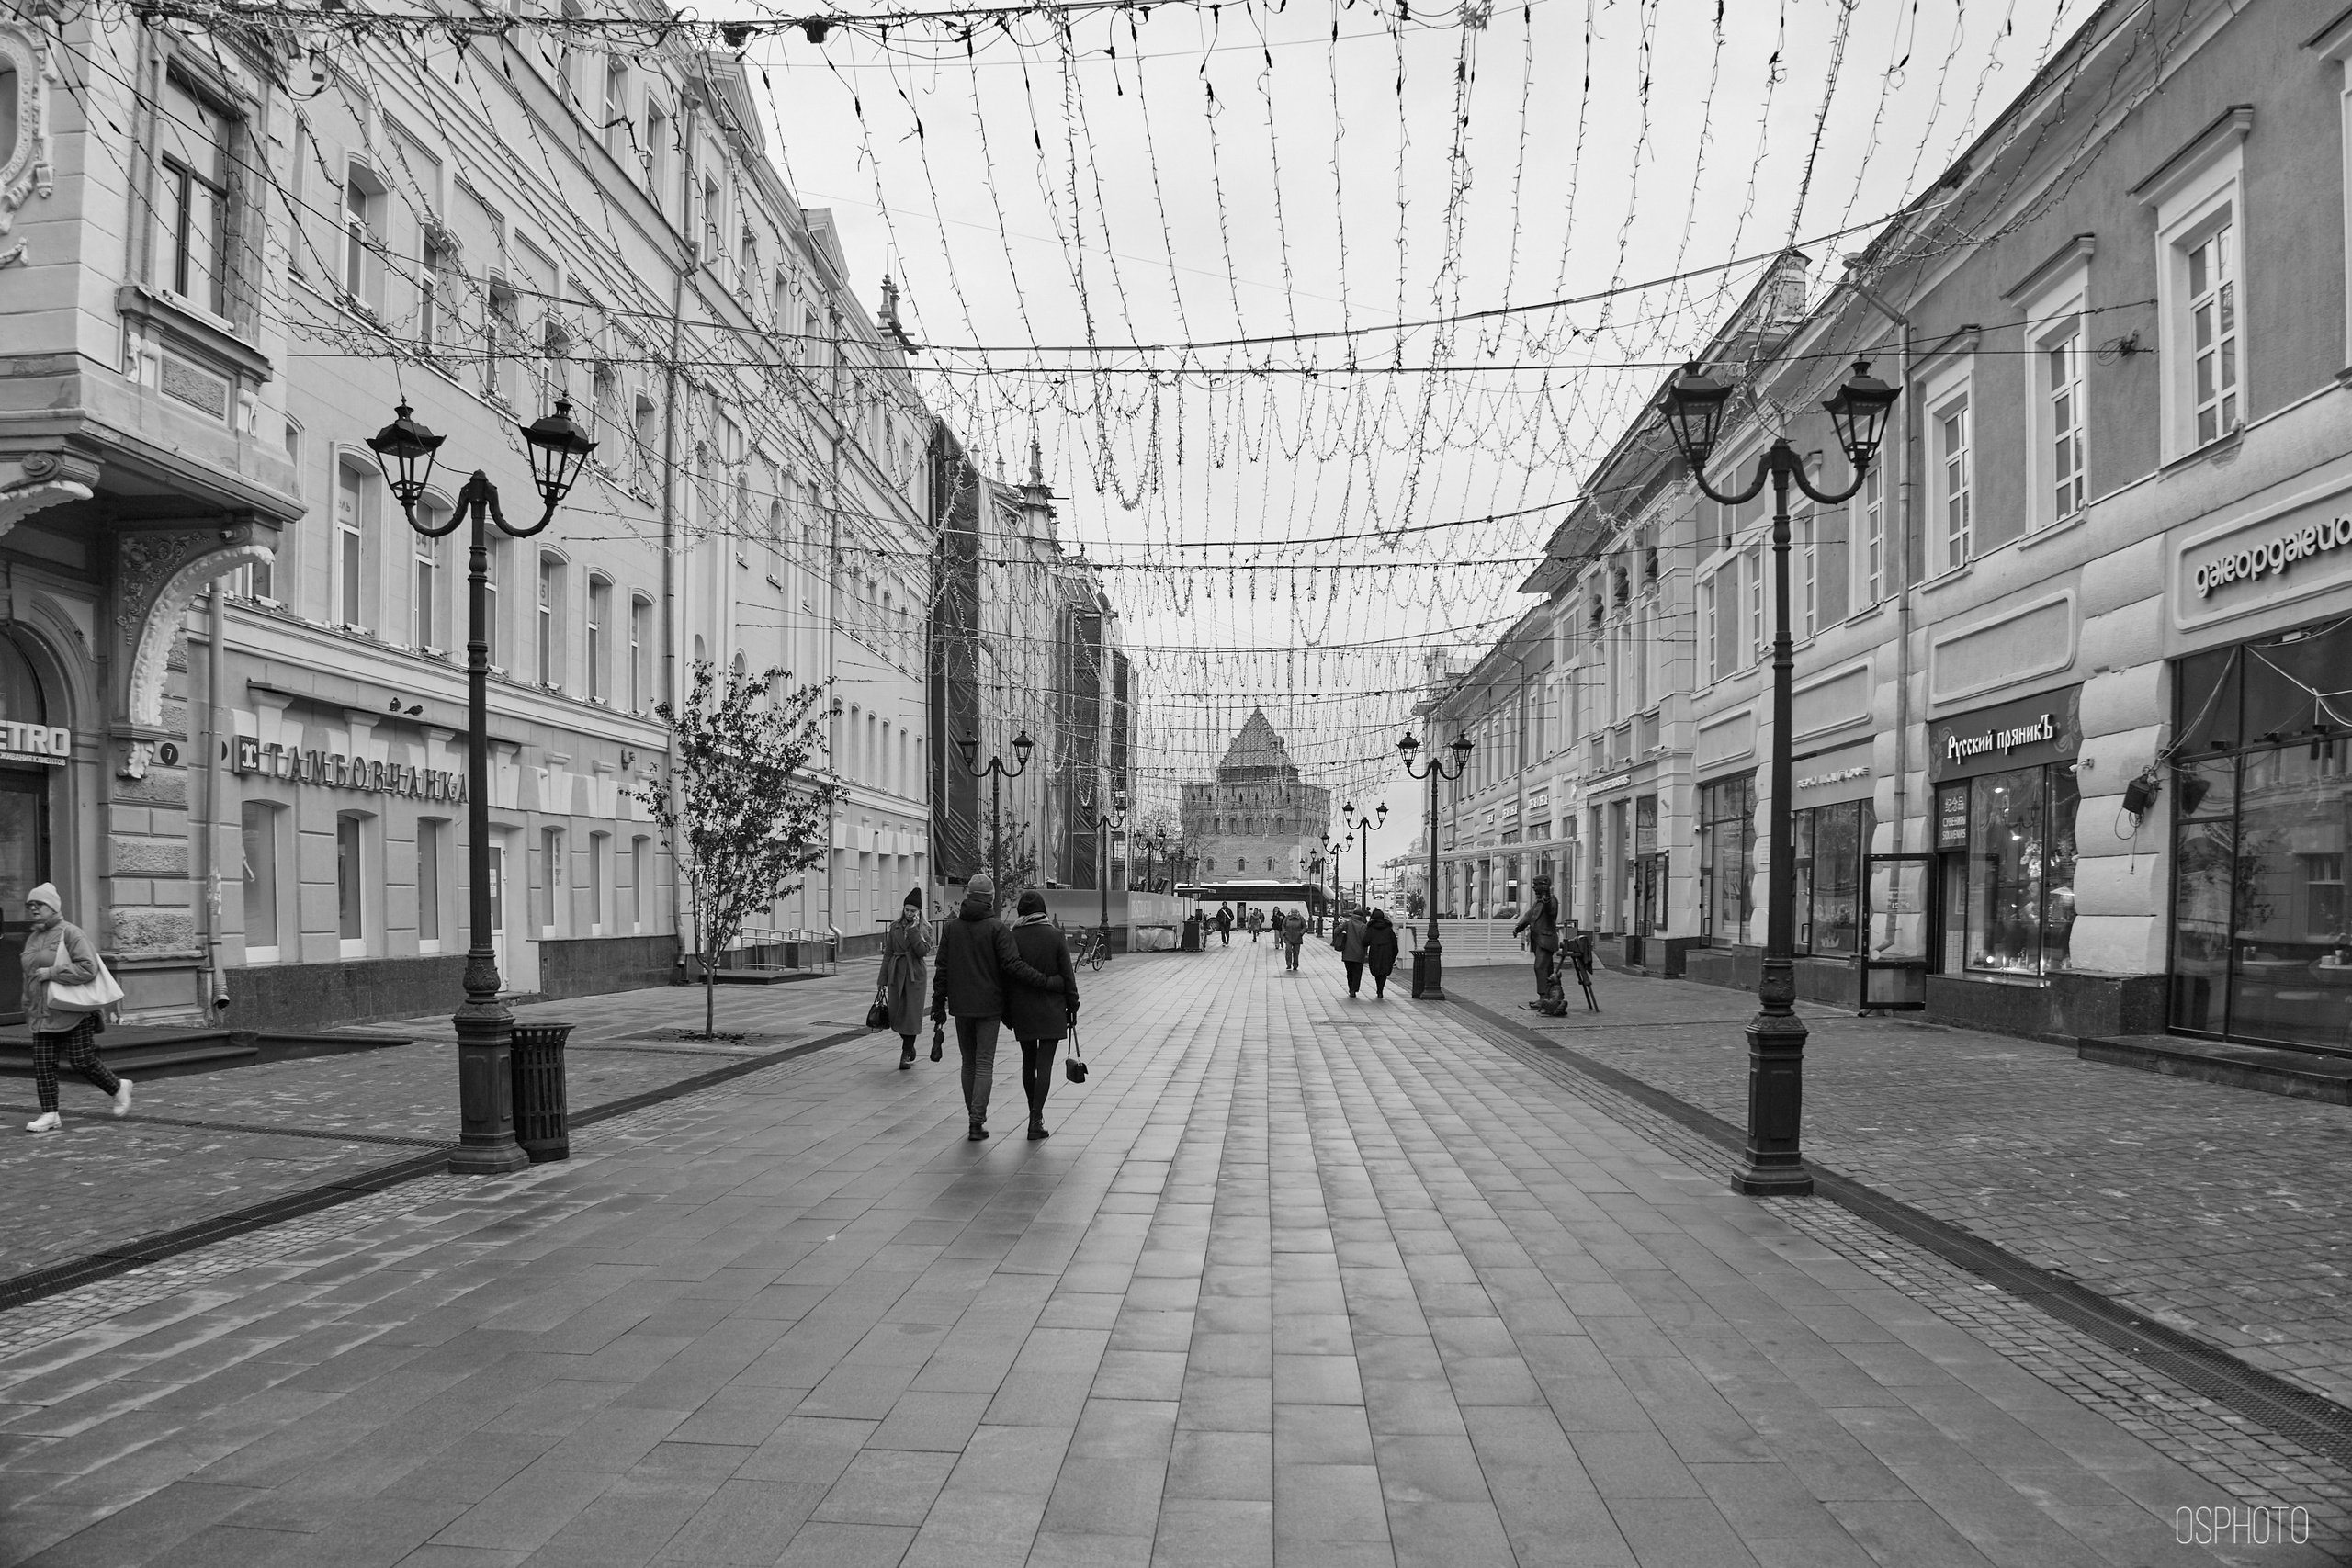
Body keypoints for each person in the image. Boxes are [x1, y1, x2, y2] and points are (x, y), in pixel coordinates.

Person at [931, 874, 1065, 1141]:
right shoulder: (996, 929)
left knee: (968, 1063)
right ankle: (976, 1121)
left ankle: (974, 1118)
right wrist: (1045, 982)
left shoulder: (951, 929)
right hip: (989, 1007)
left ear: (967, 896)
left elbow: (942, 969)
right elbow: (1012, 967)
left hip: (960, 1007)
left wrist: (938, 1004)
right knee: (983, 1064)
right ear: (991, 898)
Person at [22, 884, 131, 1133]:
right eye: (30, 905)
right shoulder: (33, 937)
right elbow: (29, 976)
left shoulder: (71, 933)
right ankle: (50, 1114)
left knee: (82, 1061)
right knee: (43, 1063)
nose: (33, 909)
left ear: (53, 907)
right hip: (43, 1011)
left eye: (39, 904)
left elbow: (87, 968)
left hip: (74, 1011)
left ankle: (118, 1087)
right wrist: (28, 1003)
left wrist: (52, 972)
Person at [1004, 890, 1080, 1140]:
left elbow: (1007, 976)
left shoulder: (1013, 936)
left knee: (1028, 1061)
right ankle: (1036, 1118)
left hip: (1023, 1009)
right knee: (1044, 1065)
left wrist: (1007, 1011)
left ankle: (1032, 1112)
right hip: (1051, 1009)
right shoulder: (1056, 936)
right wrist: (1073, 1005)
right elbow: (1068, 975)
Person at [878, 890, 933, 1069]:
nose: (909, 913)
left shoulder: (925, 928)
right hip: (896, 972)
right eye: (907, 910)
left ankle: (906, 1052)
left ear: (919, 912)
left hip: (915, 975)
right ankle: (910, 1046)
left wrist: (914, 931)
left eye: (913, 911)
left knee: (911, 1015)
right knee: (896, 1015)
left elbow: (923, 951)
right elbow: (888, 953)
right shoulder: (895, 927)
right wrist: (882, 980)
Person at [1512, 875, 1562, 1009]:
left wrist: (1546, 895)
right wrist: (1519, 927)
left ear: (1544, 886)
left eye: (1536, 884)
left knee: (1539, 967)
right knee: (1547, 969)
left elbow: (1551, 913)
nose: (1533, 887)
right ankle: (1550, 997)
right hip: (1538, 940)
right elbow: (1529, 916)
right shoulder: (1538, 902)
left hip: (1546, 940)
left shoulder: (1551, 900)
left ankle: (1543, 997)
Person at [1365, 908, 1400, 999]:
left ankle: (1379, 988)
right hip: (1387, 952)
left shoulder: (1371, 928)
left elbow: (1365, 941)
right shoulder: (1388, 929)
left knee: (1377, 971)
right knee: (1384, 972)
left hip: (1375, 951)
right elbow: (1394, 943)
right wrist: (1394, 954)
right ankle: (1380, 989)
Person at [1339, 908, 1370, 998]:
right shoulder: (1364, 927)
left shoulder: (1347, 924)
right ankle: (1354, 989)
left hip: (1347, 953)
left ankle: (1350, 988)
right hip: (1359, 953)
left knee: (1349, 972)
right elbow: (1366, 940)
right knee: (1357, 972)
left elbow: (1337, 930)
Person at [1280, 908, 1306, 972]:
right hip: (1288, 937)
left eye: (1295, 912)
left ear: (1297, 912)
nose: (1293, 914)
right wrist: (1284, 932)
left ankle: (1295, 965)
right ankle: (1288, 964)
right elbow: (1283, 925)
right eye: (1292, 912)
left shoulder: (1301, 918)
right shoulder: (1287, 918)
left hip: (1297, 937)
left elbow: (1304, 927)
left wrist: (1301, 933)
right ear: (1290, 912)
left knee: (1296, 952)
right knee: (1288, 951)